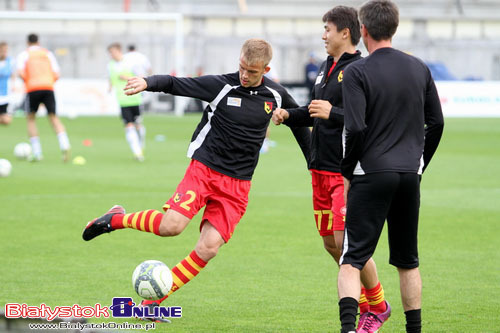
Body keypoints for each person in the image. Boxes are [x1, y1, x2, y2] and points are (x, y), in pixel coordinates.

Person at [82, 38, 311, 322]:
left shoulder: (276, 95)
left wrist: (312, 161)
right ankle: (115, 219)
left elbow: (299, 122)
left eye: (252, 71)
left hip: (238, 185)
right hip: (204, 170)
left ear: (265, 69)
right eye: (241, 67)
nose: (244, 74)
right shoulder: (222, 86)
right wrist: (147, 81)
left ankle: (150, 305)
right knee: (171, 227)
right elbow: (177, 84)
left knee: (209, 247)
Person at [272, 6, 390, 332]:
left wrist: (332, 112)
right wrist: (289, 116)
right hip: (319, 169)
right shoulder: (326, 67)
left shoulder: (361, 69)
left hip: (345, 172)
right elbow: (315, 112)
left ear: (345, 33)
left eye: (327, 29)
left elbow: (365, 120)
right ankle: (372, 305)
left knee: (347, 243)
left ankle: (376, 306)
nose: (323, 35)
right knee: (330, 244)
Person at [336, 1, 444, 333]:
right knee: (407, 261)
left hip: (370, 173)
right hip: (409, 175)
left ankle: (348, 330)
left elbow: (354, 127)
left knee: (351, 260)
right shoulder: (419, 68)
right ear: (394, 28)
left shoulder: (356, 71)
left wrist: (347, 170)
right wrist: (419, 164)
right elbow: (436, 122)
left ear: (363, 30)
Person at [16, 34, 71, 162]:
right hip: (48, 87)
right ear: (38, 42)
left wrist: (30, 81)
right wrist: (47, 83)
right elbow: (57, 74)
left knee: (31, 119)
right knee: (53, 117)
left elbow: (21, 73)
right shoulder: (47, 54)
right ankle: (65, 144)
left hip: (33, 88)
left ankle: (37, 153)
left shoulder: (24, 55)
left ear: (28, 43)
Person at [107, 43, 145, 161]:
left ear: (119, 51)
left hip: (135, 98)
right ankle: (137, 153)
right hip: (122, 100)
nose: (111, 55)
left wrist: (127, 78)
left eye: (112, 52)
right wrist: (110, 87)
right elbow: (111, 77)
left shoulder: (130, 63)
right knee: (129, 125)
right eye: (110, 53)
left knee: (138, 125)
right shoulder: (110, 65)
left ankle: (140, 146)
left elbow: (142, 77)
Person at [0, 42, 14, 125]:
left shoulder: (10, 61)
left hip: (5, 94)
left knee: (7, 121)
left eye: (6, 51)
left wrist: (13, 85)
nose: (4, 53)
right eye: (3, 50)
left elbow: (12, 74)